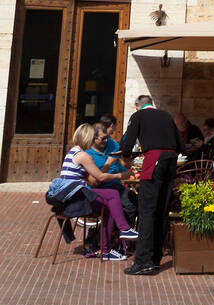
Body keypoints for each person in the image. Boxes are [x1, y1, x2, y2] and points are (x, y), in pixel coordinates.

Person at [120, 93, 184, 277]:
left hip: (154, 161)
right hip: (171, 161)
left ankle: (143, 262)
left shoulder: (138, 116)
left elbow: (127, 144)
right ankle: (155, 258)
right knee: (162, 210)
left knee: (147, 210)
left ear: (138, 106)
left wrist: (126, 154)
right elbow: (181, 145)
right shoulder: (166, 116)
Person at [56, 124, 138, 260]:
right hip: (75, 200)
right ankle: (124, 229)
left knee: (110, 207)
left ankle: (106, 251)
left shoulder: (72, 152)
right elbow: (99, 177)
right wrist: (121, 176)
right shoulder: (83, 156)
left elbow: (92, 180)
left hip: (68, 198)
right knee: (113, 195)